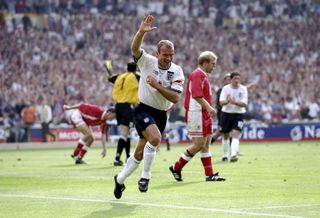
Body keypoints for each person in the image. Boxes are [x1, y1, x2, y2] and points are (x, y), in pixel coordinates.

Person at [113, 15, 185, 199]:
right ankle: (145, 177)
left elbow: (175, 98)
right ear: (158, 53)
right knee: (155, 138)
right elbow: (134, 48)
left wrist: (157, 86)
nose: (168, 58)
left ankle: (119, 180)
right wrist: (141, 32)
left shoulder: (176, 70)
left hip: (161, 114)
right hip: (143, 109)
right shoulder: (148, 61)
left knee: (139, 153)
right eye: (165, 54)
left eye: (171, 55)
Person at [169, 51, 226, 182]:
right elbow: (196, 95)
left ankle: (209, 174)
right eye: (213, 63)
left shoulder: (203, 76)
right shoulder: (197, 75)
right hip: (196, 113)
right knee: (198, 144)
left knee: (205, 144)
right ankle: (176, 167)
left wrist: (207, 109)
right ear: (205, 62)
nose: (214, 66)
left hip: (203, 113)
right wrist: (209, 107)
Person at [105, 61, 140, 166]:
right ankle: (117, 158)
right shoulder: (136, 76)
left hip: (118, 107)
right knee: (124, 134)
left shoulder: (120, 76)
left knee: (126, 134)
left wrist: (108, 66)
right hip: (127, 107)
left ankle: (127, 157)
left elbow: (110, 77)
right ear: (135, 69)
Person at [219, 71, 248, 162]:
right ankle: (224, 155)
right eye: (235, 78)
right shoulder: (225, 89)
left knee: (236, 134)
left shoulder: (243, 89)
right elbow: (221, 102)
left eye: (238, 78)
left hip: (238, 115)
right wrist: (228, 101)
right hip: (226, 113)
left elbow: (244, 104)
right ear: (231, 79)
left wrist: (234, 102)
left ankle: (233, 155)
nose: (237, 80)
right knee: (226, 135)